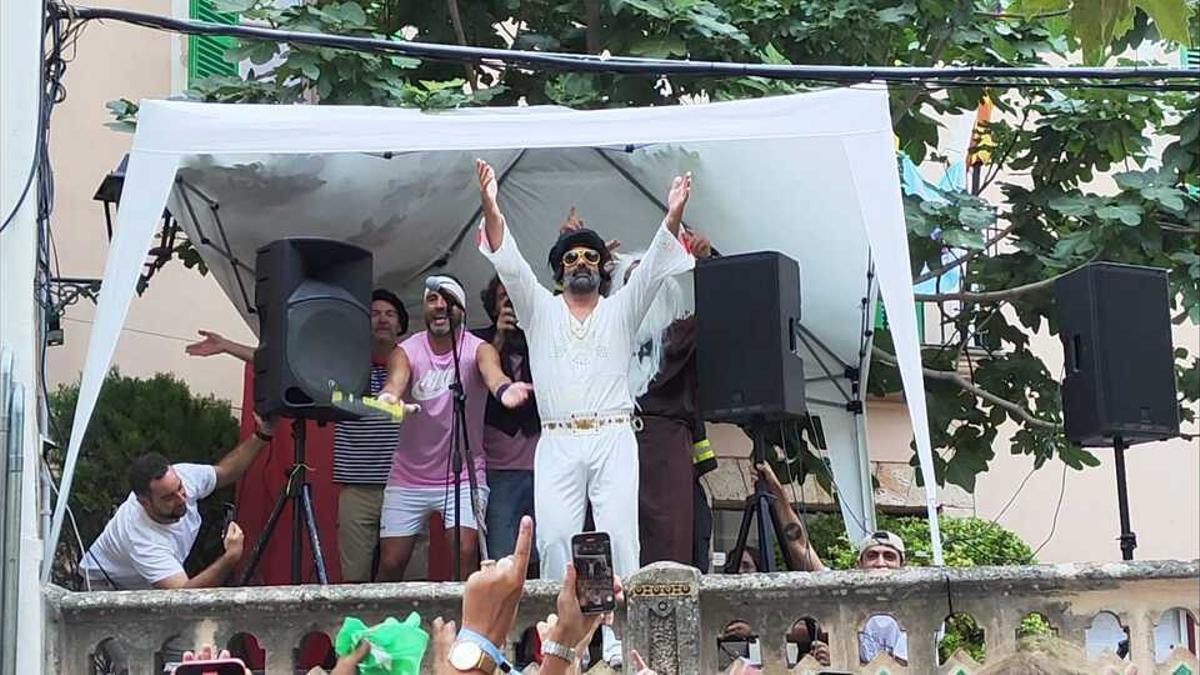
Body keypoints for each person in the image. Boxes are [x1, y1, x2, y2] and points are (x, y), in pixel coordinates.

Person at [474, 157, 694, 579]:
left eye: (590, 257)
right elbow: (509, 261)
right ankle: (565, 641)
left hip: (613, 435)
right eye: (571, 257)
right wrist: (490, 204)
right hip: (557, 440)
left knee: (619, 540)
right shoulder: (538, 309)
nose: (580, 263)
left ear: (601, 268)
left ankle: (616, 642)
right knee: (555, 541)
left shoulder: (621, 311)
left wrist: (673, 213)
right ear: (559, 271)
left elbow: (650, 271)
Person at [184, 288, 412, 582]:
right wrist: (228, 346)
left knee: (407, 576)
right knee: (354, 579)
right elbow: (288, 367)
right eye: (375, 314)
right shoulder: (343, 363)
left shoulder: (417, 360)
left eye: (390, 314)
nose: (382, 320)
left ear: (401, 324)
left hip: (406, 486)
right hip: (357, 486)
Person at [376, 274, 532, 581]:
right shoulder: (408, 349)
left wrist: (505, 390)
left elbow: (493, 373)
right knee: (392, 561)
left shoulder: (477, 348)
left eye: (447, 300)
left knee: (464, 550)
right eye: (432, 299)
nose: (439, 306)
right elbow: (395, 379)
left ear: (462, 309)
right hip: (409, 476)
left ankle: (466, 624)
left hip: (462, 475)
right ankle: (380, 628)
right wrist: (389, 397)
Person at [608, 235, 716, 568]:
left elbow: (721, 311)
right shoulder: (606, 337)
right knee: (611, 538)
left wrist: (706, 265)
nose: (643, 289)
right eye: (633, 280)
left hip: (667, 451)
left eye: (650, 280)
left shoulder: (682, 333)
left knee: (667, 544)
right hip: (613, 446)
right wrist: (573, 248)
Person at [79, 415, 274, 590]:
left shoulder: (184, 476)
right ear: (144, 502)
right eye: (168, 497)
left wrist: (263, 434)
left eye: (179, 488)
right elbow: (182, 594)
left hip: (143, 581)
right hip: (102, 582)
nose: (182, 498)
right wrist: (231, 557)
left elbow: (226, 472)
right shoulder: (141, 538)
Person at [755, 461, 910, 665]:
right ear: (859, 565)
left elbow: (899, 670)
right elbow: (800, 545)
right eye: (872, 555)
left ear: (902, 565)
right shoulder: (848, 595)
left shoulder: (915, 605)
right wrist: (777, 491)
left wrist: (840, 660)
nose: (880, 562)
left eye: (889, 556)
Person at [471, 275, 540, 561]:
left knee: (541, 552)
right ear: (493, 305)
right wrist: (498, 339)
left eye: (516, 296)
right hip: (499, 470)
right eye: (504, 297)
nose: (511, 303)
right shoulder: (477, 342)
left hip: (543, 467)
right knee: (501, 554)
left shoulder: (541, 338)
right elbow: (475, 381)